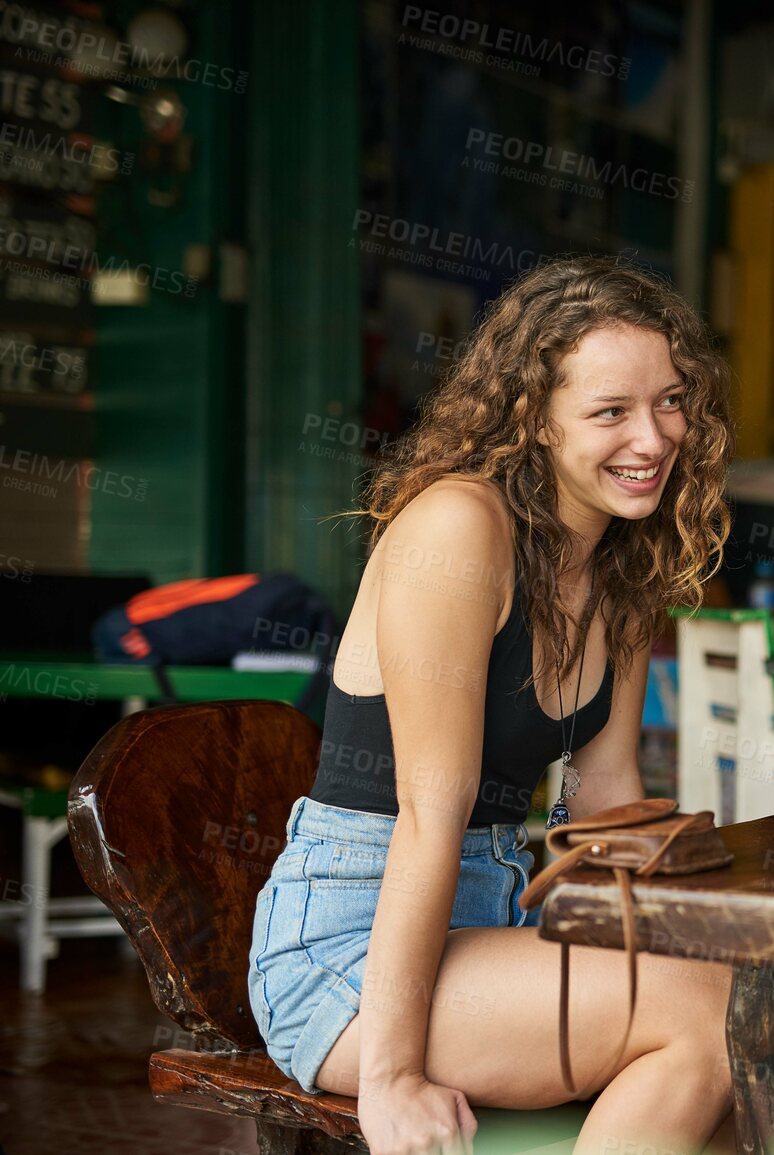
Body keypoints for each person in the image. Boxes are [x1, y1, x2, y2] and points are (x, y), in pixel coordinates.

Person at [248, 257, 736, 1155]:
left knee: (754, 1024)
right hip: (354, 950)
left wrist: (713, 915)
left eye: (670, 401)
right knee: (705, 1016)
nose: (655, 436)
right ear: (536, 421)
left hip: (501, 915)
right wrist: (392, 1079)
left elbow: (604, 798)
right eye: (610, 411)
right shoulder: (457, 529)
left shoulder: (626, 569)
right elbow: (430, 816)